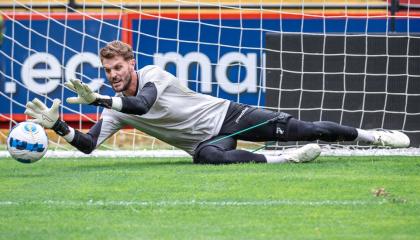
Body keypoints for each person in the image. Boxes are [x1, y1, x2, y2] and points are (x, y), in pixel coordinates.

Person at [24, 40, 410, 164]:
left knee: (306, 129)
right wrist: (57, 126)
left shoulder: (155, 76)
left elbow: (141, 105)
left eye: (119, 67)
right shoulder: (110, 106)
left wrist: (100, 99)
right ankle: (282, 159)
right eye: (109, 70)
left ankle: (373, 136)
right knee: (205, 158)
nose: (114, 74)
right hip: (208, 142)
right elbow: (89, 146)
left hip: (230, 116)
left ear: (132, 64)